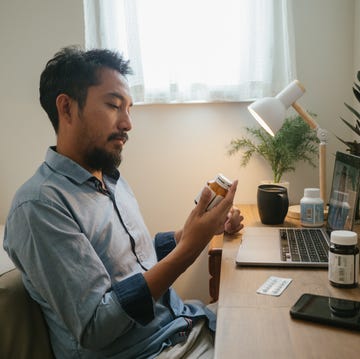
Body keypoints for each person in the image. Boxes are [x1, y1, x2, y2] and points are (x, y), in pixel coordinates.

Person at [4, 46, 243, 359]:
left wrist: (194, 232)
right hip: (152, 352)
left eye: (129, 108)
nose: (128, 123)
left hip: (187, 324)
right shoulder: (39, 206)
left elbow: (134, 261)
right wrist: (189, 250)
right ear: (67, 108)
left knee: (275, 317)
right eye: (114, 106)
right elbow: (97, 325)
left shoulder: (110, 179)